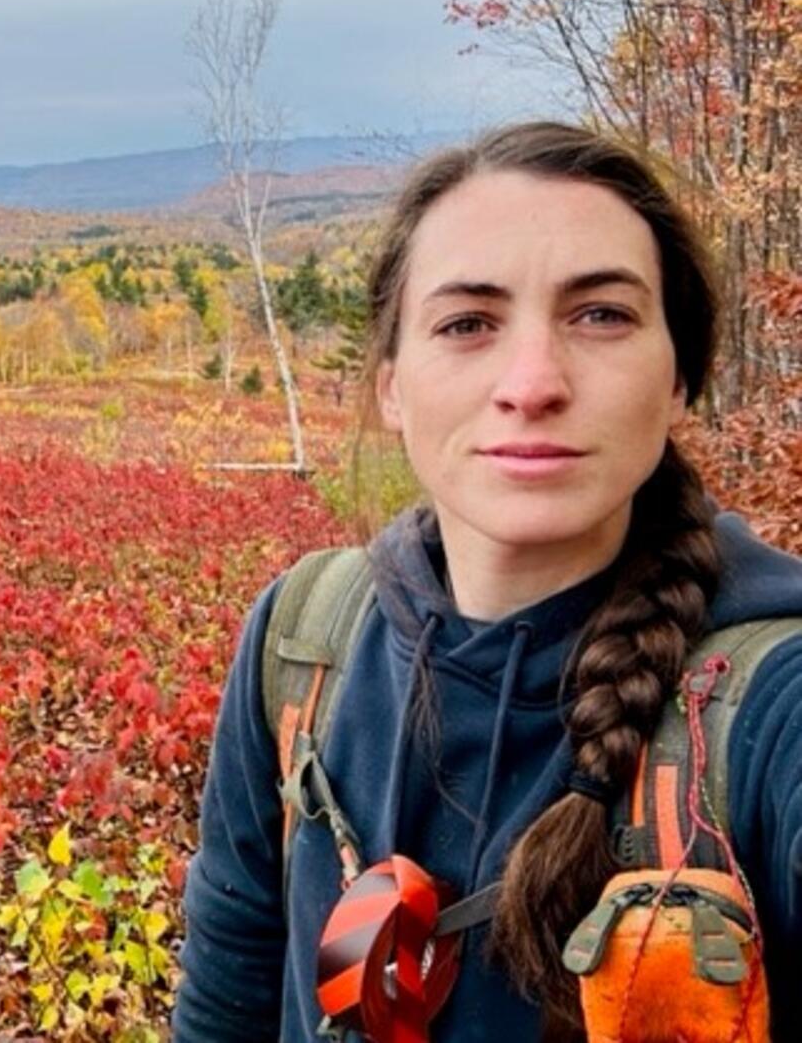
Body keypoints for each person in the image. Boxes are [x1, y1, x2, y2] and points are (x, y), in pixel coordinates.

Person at [171, 122, 802, 1041]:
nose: (532, 381)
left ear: (678, 381)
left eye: (601, 315)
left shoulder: (762, 707)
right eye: (466, 323)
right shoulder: (302, 642)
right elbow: (224, 1002)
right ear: (392, 385)